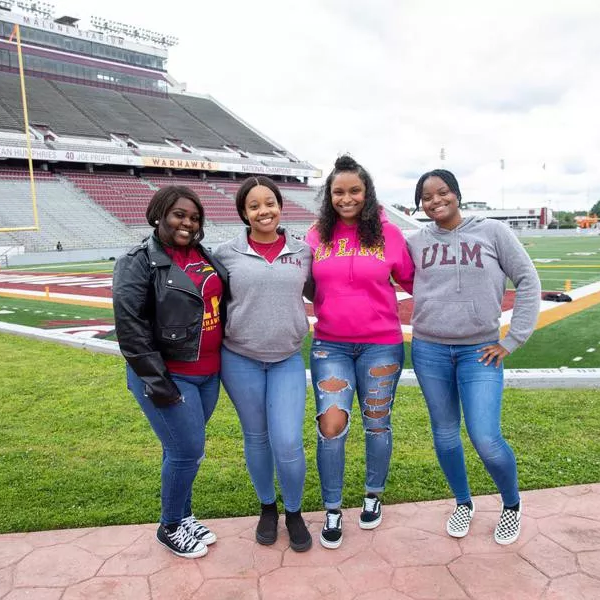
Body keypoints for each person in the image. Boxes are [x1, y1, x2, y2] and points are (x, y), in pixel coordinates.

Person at [407, 169, 540, 545]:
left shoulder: (493, 232)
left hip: (479, 351)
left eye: (442, 192)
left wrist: (512, 340)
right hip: (429, 349)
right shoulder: (415, 241)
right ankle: (463, 502)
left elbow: (528, 279)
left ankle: (511, 505)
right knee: (445, 435)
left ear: (457, 193)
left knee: (485, 436)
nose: (435, 201)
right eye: (426, 197)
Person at [112, 185, 229, 559]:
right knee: (187, 450)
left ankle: (183, 514)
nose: (188, 223)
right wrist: (158, 383)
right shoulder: (138, 260)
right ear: (159, 214)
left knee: (180, 450)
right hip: (169, 375)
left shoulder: (202, 254)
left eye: (194, 218)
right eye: (179, 214)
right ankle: (169, 526)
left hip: (208, 374)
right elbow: (130, 330)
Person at [305, 155, 414, 549]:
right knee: (330, 425)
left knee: (377, 422)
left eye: (354, 190)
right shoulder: (317, 235)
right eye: (338, 191)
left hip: (381, 344)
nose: (346, 198)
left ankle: (373, 495)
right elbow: (302, 283)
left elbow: (418, 282)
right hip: (330, 344)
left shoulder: (389, 235)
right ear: (328, 195)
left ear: (366, 193)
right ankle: (332, 508)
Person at [215, 176, 314, 552]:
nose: (263, 211)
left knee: (288, 441)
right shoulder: (226, 253)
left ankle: (294, 511)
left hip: (286, 358)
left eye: (269, 202)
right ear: (243, 212)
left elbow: (326, 293)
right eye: (254, 205)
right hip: (240, 358)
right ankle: (267, 508)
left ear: (280, 206)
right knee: (256, 438)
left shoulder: (302, 252)